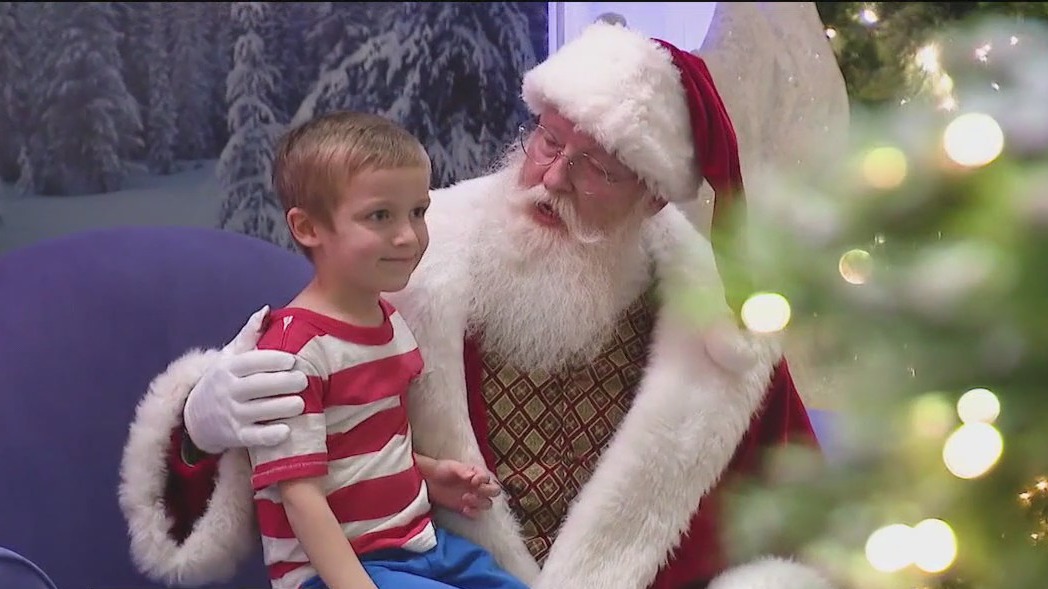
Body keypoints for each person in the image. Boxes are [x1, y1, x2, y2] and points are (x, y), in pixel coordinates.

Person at [120, 18, 844, 589]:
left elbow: (805, 523)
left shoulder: (720, 340)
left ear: (653, 197)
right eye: (548, 140)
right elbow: (288, 445)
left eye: (597, 167)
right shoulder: (407, 261)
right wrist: (198, 428)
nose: (553, 176)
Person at [242, 111, 527, 589]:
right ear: (308, 227)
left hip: (420, 545)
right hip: (335, 572)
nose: (408, 236)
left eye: (418, 211)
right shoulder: (294, 352)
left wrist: (431, 476)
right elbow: (300, 495)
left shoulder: (389, 321)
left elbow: (368, 445)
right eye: (380, 216)